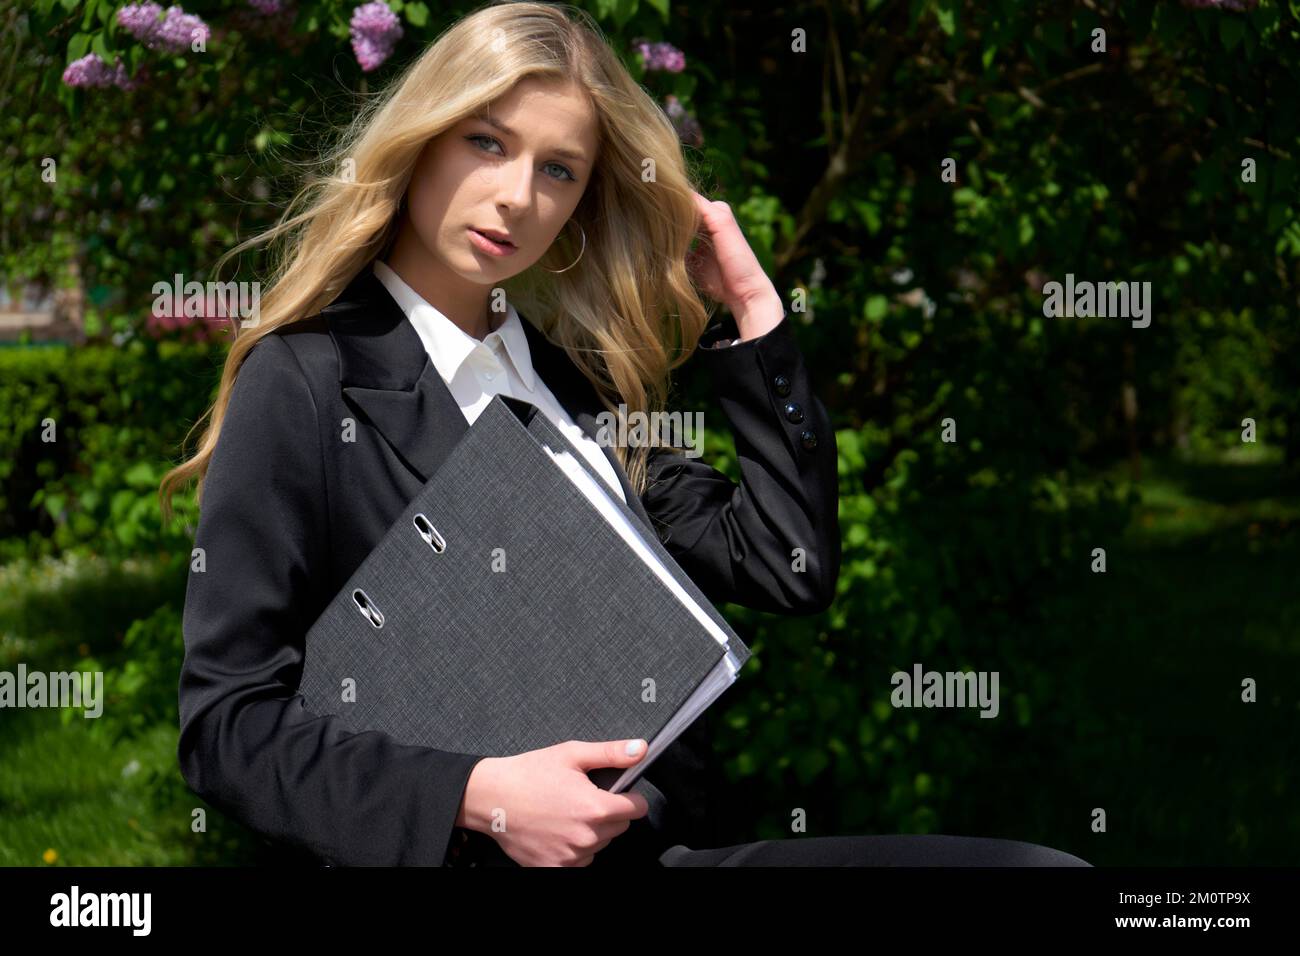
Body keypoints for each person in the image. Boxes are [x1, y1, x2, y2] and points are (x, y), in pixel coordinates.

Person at [160, 1, 1089, 869]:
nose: (518, 195)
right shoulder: (308, 381)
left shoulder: (573, 386)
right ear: (422, 144)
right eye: (487, 143)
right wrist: (478, 795)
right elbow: (227, 729)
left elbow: (785, 563)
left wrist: (753, 321)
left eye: (558, 169)